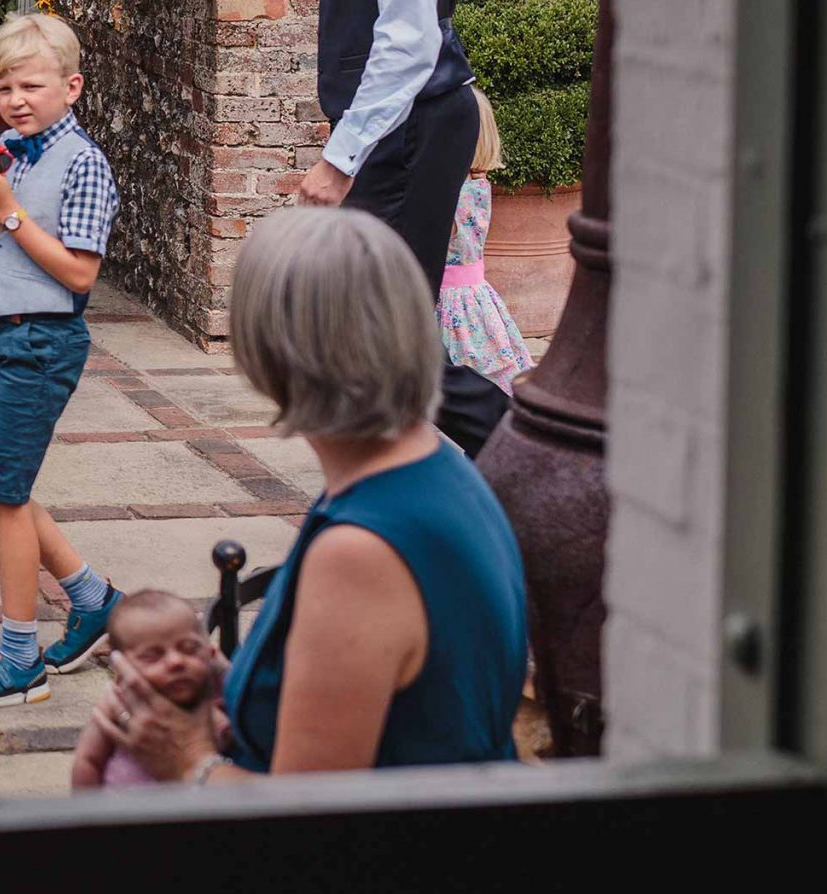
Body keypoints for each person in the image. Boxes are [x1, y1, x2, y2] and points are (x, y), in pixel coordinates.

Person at [92, 207, 529, 782]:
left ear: (266, 353)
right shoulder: (440, 467)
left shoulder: (361, 551)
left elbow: (305, 816)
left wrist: (186, 760)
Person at [286, 0, 511, 454]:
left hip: (414, 129)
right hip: (409, 126)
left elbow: (409, 39)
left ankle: (518, 449)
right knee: (378, 318)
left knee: (387, 324)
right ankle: (413, 460)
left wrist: (340, 157)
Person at [0, 13, 126, 708]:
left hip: (45, 340)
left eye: (32, 85)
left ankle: (20, 661)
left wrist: (9, 207)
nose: (17, 99)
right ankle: (94, 598)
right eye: (5, 86)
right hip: (1, 333)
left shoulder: (85, 164)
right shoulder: (12, 149)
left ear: (71, 87)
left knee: (6, 497)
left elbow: (79, 275)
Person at [70, 592, 224, 789]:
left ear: (209, 651)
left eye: (189, 648)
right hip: (128, 812)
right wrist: (89, 814)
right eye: (152, 656)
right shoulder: (119, 703)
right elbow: (88, 759)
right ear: (121, 668)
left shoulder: (212, 687)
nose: (176, 661)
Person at [439, 86, 537, 393]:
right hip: (475, 297)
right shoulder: (479, 184)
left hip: (450, 302)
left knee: (461, 379)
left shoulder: (451, 193)